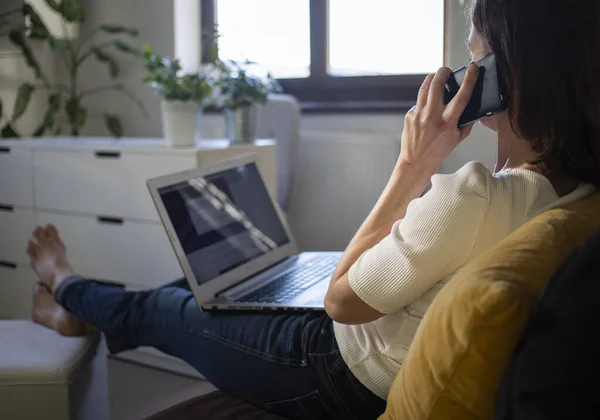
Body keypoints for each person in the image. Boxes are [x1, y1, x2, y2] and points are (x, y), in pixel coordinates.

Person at [24, 1, 600, 419]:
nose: (462, 77)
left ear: (505, 78)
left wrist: (414, 165)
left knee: (163, 307)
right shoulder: (575, 191)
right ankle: (85, 316)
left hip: (333, 366)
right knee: (205, 288)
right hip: (366, 336)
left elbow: (337, 301)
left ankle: (66, 285)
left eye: (475, 62)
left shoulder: (472, 194)